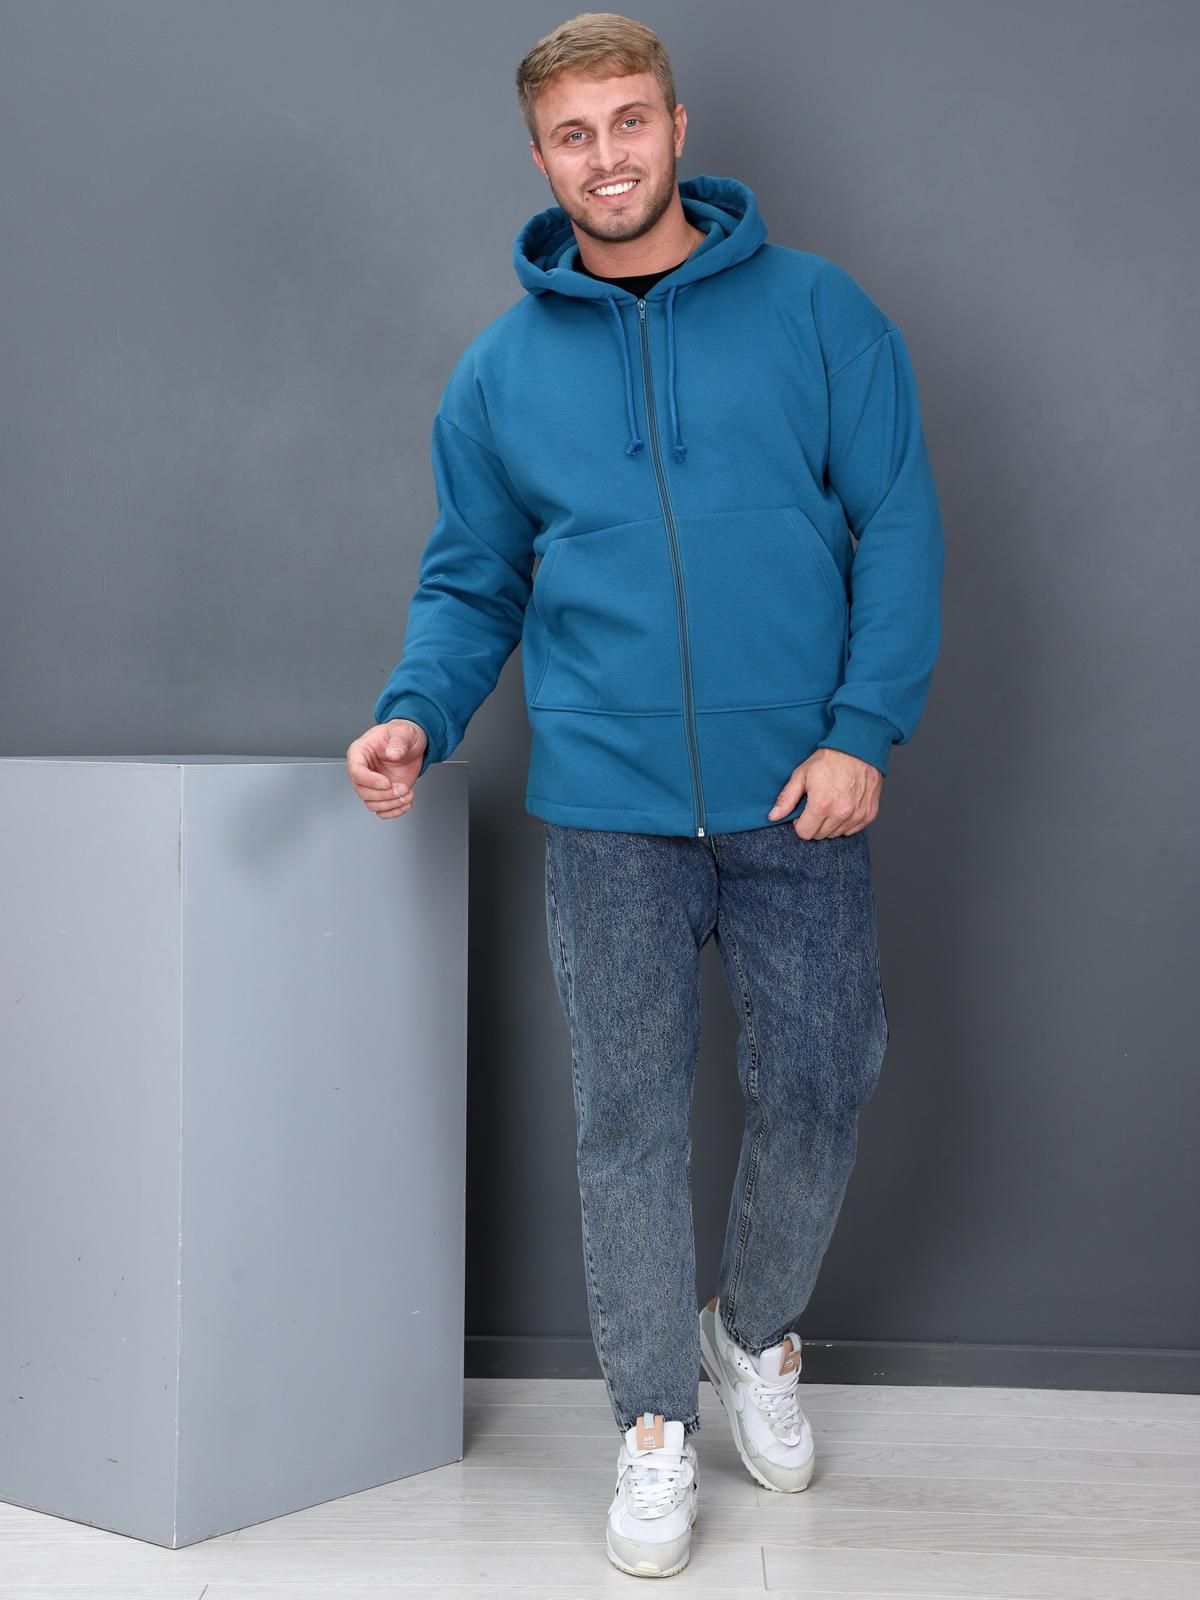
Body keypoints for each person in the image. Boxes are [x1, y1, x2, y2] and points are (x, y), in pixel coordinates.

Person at [346, 10, 944, 1581]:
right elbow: (472, 580)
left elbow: (898, 524)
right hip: (607, 810)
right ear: (540, 157)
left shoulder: (819, 314)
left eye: (628, 122)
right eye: (573, 134)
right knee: (626, 1120)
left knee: (823, 1082)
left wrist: (862, 730)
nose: (605, 157)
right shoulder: (500, 373)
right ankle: (654, 1425)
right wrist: (416, 712)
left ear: (676, 130)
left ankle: (753, 1331)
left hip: (799, 793)